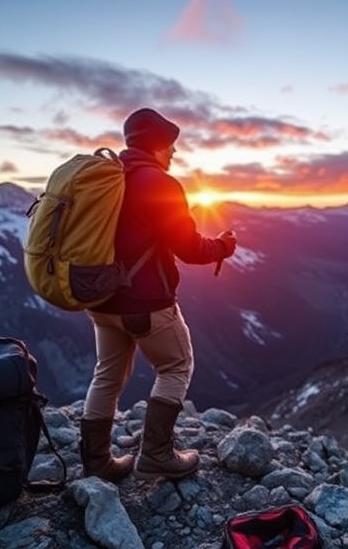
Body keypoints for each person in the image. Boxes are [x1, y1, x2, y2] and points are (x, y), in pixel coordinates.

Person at [78, 107, 238, 482]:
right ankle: (157, 453)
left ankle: (96, 461)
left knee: (107, 375)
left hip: (100, 301)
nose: (175, 154)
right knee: (175, 367)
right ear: (158, 146)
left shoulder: (106, 178)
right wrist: (223, 247)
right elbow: (190, 248)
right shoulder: (160, 184)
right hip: (145, 304)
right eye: (171, 146)